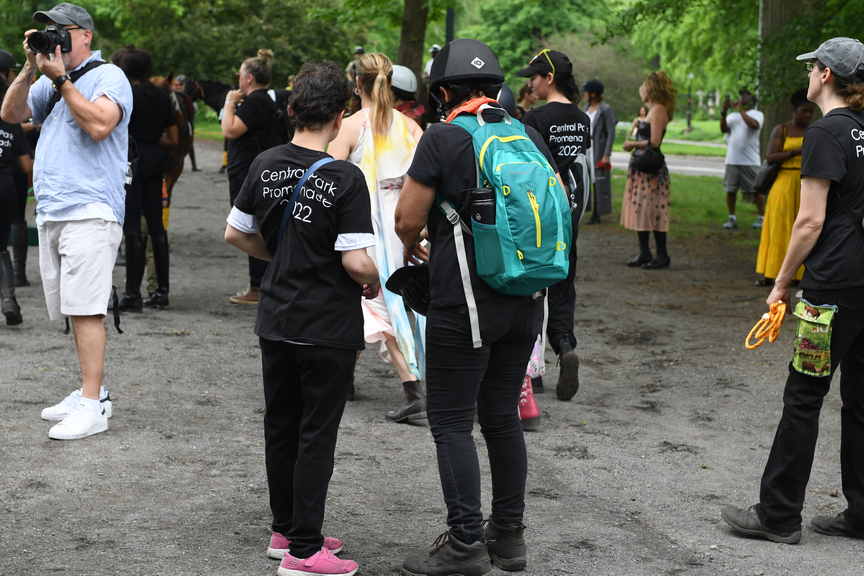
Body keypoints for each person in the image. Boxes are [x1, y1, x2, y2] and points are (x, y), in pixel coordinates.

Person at [395, 38, 558, 575]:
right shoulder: (527, 133)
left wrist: (417, 244)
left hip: (464, 301)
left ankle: (465, 542)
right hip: (526, 298)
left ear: (443, 92)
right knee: (501, 416)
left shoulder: (442, 137)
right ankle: (508, 538)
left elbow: (405, 219)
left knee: (449, 420)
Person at [225, 60, 376, 576]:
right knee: (316, 433)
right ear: (339, 116)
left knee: (281, 424)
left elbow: (235, 232)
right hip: (326, 324)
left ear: (291, 109)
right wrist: (376, 279)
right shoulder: (346, 177)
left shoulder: (264, 162)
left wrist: (283, 257)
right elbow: (355, 262)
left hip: (276, 317)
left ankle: (285, 529)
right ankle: (306, 551)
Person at [722, 36, 864, 545]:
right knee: (861, 401)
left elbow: (809, 221)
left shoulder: (825, 132)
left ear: (826, 74)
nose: (808, 74)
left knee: (804, 395)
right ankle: (862, 514)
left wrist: (781, 283)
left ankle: (778, 515)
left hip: (831, 286)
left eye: (812, 67)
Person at [1, 2, 132, 440]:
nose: (54, 38)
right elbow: (11, 115)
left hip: (90, 209)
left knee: (87, 309)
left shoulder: (109, 76)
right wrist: (29, 66)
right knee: (72, 309)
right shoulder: (48, 80)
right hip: (54, 210)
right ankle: (90, 391)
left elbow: (101, 125)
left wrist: (60, 79)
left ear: (86, 35)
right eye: (48, 31)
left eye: (62, 30)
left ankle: (93, 406)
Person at [329, 53, 426, 424]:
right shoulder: (411, 128)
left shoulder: (351, 127)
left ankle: (413, 387)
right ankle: (345, 378)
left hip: (367, 225)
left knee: (378, 305)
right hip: (405, 223)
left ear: (358, 84)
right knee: (394, 305)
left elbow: (331, 180)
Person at [518, 48, 590, 402]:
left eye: (534, 77)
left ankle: (532, 372)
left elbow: (532, 169)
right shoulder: (582, 119)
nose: (530, 84)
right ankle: (565, 345)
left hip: (542, 213)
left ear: (549, 78)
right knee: (564, 285)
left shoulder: (535, 119)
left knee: (533, 289)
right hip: (571, 214)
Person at [113, 48, 177, 311]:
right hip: (155, 161)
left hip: (130, 161)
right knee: (156, 228)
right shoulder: (162, 95)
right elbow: (173, 138)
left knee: (132, 229)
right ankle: (162, 291)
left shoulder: (124, 94)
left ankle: (132, 294)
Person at [222, 49, 284, 305]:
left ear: (248, 78)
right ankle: (262, 283)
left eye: (240, 74)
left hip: (250, 174)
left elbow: (230, 130)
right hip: (257, 172)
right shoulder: (263, 100)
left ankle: (259, 286)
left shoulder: (256, 101)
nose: (238, 78)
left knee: (249, 227)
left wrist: (229, 102)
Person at [754, 89, 814, 286]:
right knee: (779, 227)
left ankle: (798, 274)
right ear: (794, 111)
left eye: (810, 112)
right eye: (804, 111)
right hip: (784, 181)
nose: (808, 115)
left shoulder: (814, 131)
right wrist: (796, 151)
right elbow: (770, 156)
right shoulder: (782, 130)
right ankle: (771, 272)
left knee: (801, 229)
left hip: (805, 183)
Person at [621, 71, 675, 270]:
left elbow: (655, 141)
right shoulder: (651, 110)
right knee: (641, 210)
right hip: (641, 168)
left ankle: (662, 255)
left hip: (651, 170)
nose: (641, 89)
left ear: (651, 88)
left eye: (644, 85)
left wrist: (632, 144)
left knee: (653, 210)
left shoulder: (659, 110)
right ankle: (645, 252)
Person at [0, 76, 32, 325]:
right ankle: (9, 300)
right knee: (1, 248)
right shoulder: (10, 122)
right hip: (5, 188)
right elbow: (26, 165)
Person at [721, 88, 765, 230]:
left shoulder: (757, 114)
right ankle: (731, 218)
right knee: (730, 190)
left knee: (756, 191)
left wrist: (740, 109)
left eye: (746, 95)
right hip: (732, 160)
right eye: (741, 95)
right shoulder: (732, 116)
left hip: (750, 160)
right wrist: (724, 112)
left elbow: (754, 125)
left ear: (752, 99)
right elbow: (724, 129)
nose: (742, 97)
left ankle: (762, 218)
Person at [583, 79, 617, 223]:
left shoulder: (605, 109)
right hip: (587, 148)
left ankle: (597, 213)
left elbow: (611, 132)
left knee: (599, 181)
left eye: (586, 92)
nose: (584, 94)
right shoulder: (585, 108)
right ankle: (589, 209)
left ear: (593, 93)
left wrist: (606, 154)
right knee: (587, 178)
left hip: (599, 149)